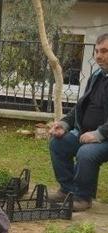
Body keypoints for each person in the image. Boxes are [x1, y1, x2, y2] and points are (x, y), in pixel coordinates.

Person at [47, 32, 108, 212]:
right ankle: (67, 190)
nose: (98, 56)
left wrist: (98, 134)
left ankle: (83, 197)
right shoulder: (97, 76)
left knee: (86, 153)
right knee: (59, 143)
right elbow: (81, 107)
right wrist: (64, 124)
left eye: (104, 51)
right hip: (86, 135)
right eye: (96, 51)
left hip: (103, 138)